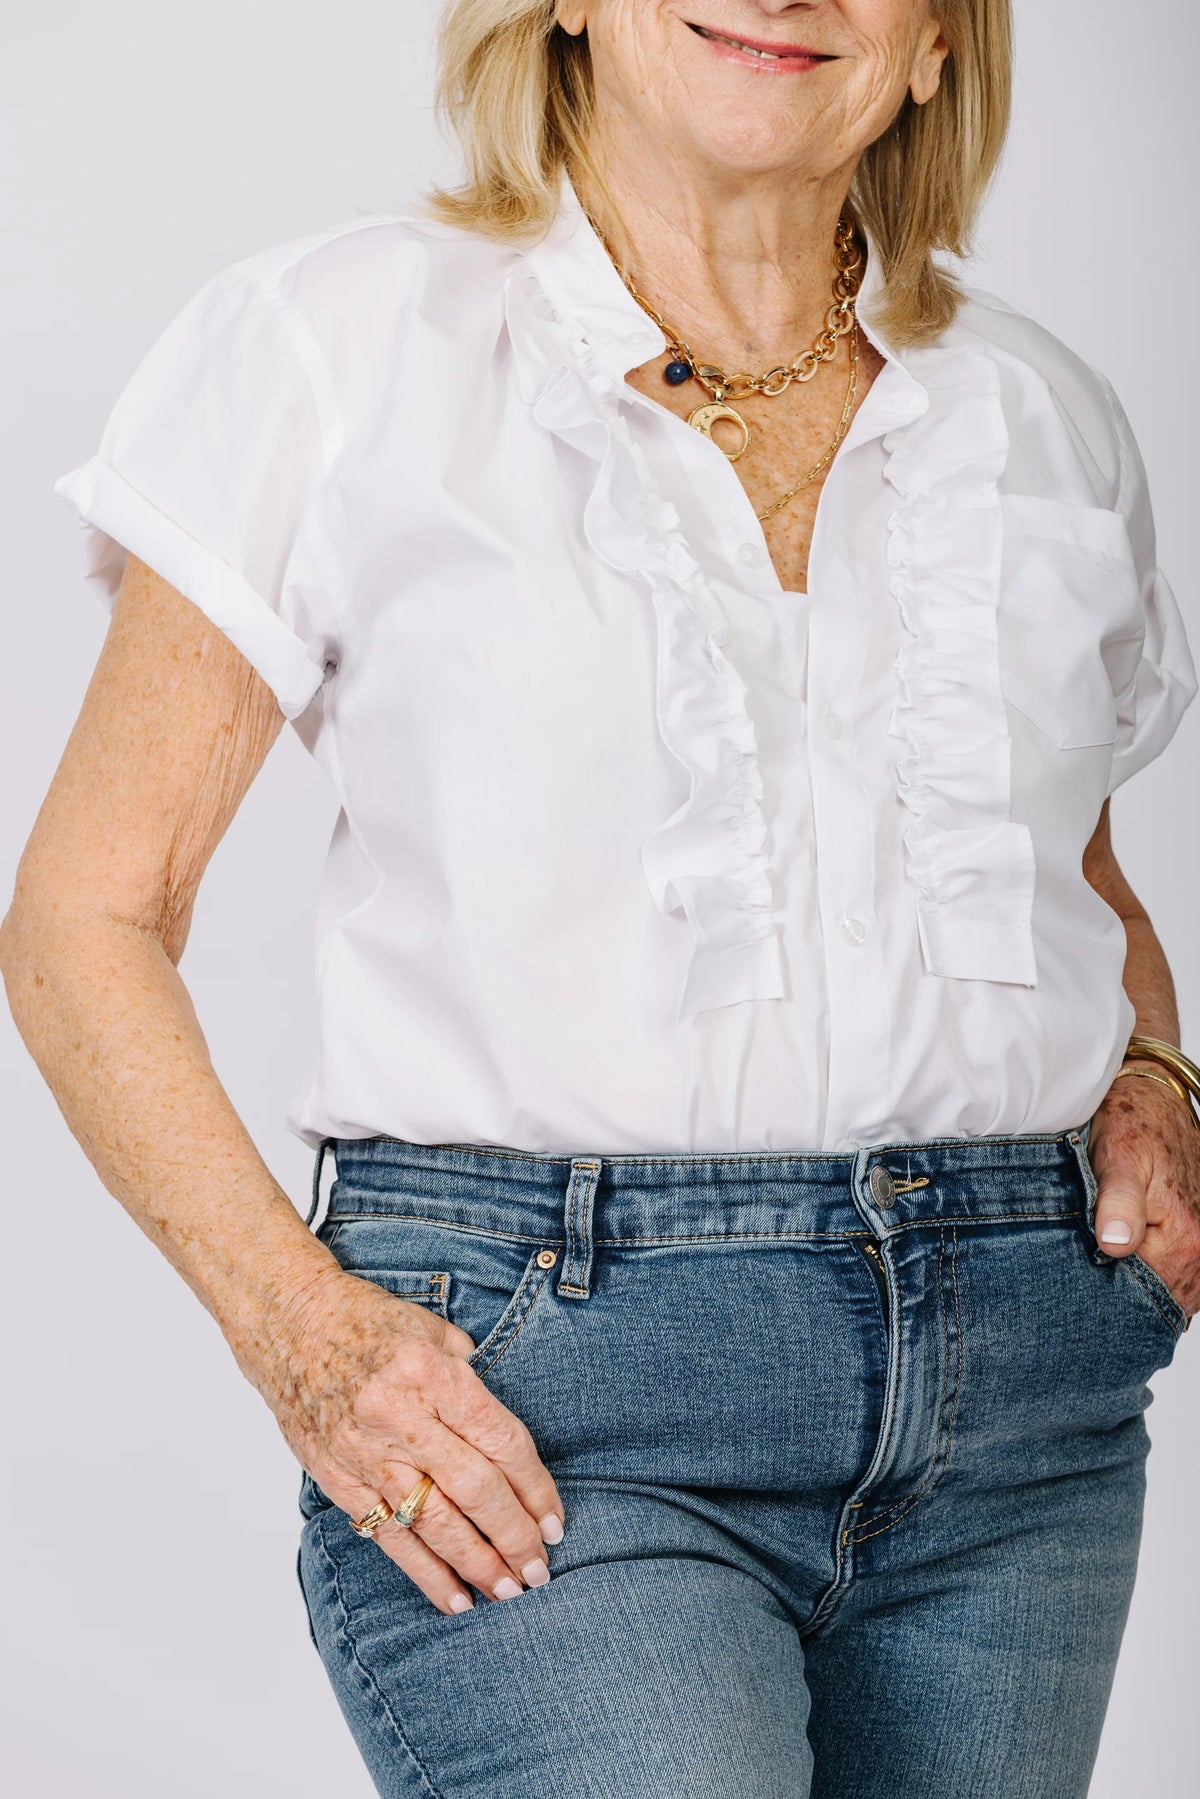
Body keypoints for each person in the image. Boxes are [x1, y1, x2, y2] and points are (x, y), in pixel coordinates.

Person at [5, 0, 1199, 1793]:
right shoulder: (338, 348)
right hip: (550, 1401)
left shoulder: (1045, 416)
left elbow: (1074, 882)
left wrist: (1159, 1087)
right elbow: (86, 914)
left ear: (941, 39)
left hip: (1019, 1427)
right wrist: (302, 1335)